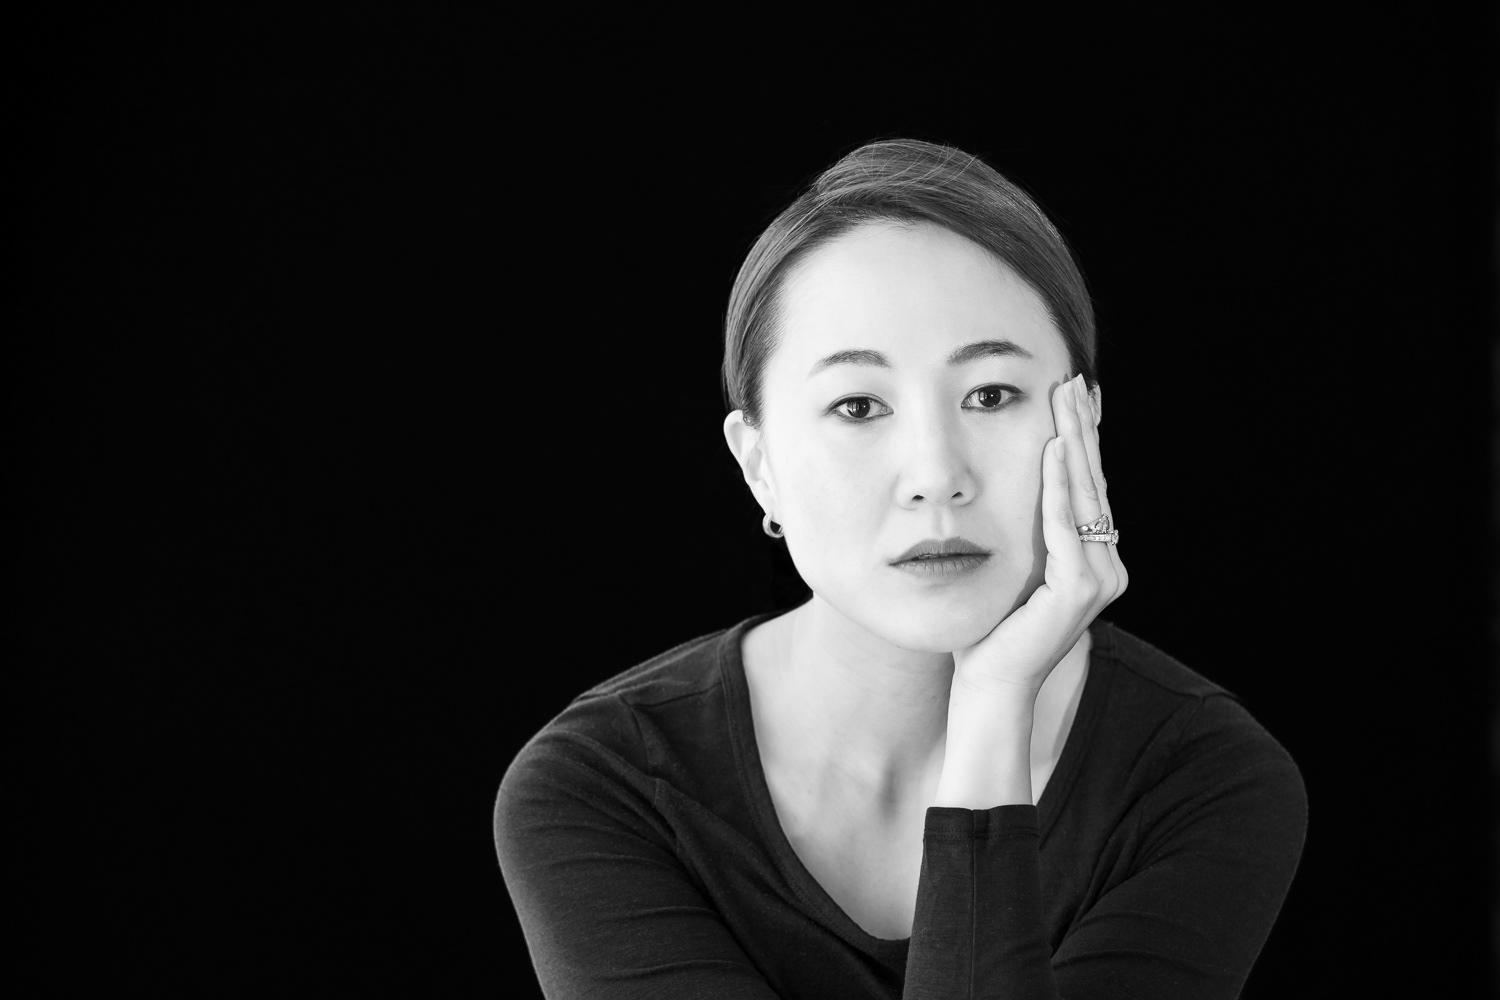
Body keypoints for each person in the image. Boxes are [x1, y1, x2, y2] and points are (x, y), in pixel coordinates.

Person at [494, 138, 1306, 999]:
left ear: (1085, 424)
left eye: (990, 394)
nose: (935, 475)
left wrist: (991, 706)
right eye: (857, 406)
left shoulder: (1206, 778)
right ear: (757, 463)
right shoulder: (602, 785)